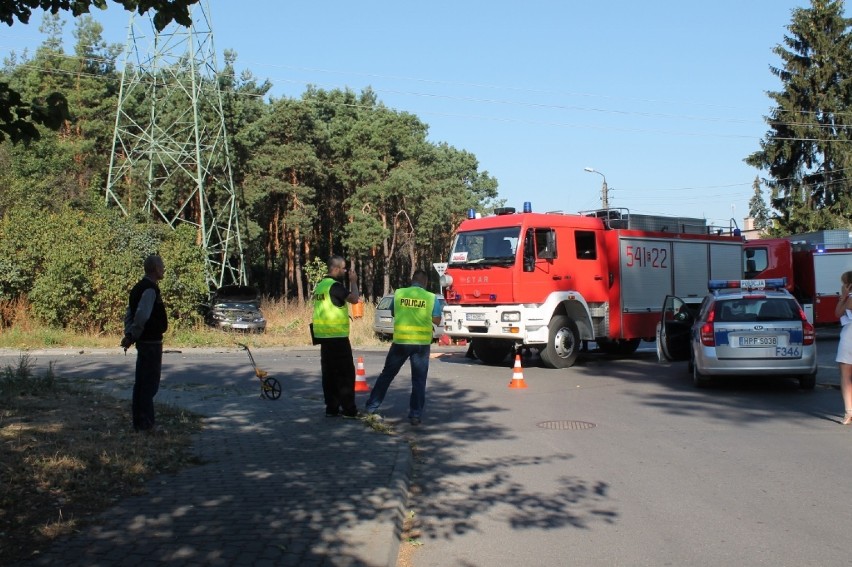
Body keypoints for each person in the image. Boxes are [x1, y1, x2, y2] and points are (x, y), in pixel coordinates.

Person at [365, 269, 442, 426]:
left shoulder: (399, 294)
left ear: (412, 279)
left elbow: (393, 312)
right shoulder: (431, 297)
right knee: (419, 381)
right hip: (421, 345)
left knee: (386, 375)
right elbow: (437, 320)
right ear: (425, 282)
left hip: (400, 343)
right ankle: (415, 415)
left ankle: (371, 407)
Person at [121, 255, 168, 433]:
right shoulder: (149, 289)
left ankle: (139, 423)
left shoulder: (138, 288)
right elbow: (141, 315)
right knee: (149, 384)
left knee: (141, 384)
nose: (163, 269)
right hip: (150, 342)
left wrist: (129, 333)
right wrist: (133, 334)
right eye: (162, 266)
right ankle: (147, 425)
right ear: (155, 268)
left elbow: (129, 314)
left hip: (144, 341)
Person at [311, 255, 361, 418]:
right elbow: (354, 299)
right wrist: (353, 281)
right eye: (344, 268)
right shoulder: (335, 287)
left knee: (329, 374)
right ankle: (349, 409)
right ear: (336, 269)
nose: (346, 271)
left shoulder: (320, 286)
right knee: (345, 375)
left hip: (323, 337)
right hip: (337, 337)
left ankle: (331, 408)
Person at [835, 270, 852, 425]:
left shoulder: (849, 299)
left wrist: (844, 297)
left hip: (849, 337)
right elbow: (838, 313)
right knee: (845, 375)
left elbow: (838, 313)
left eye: (844, 283)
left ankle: (849, 413)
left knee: (846, 376)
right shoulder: (848, 299)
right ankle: (849, 412)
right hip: (848, 336)